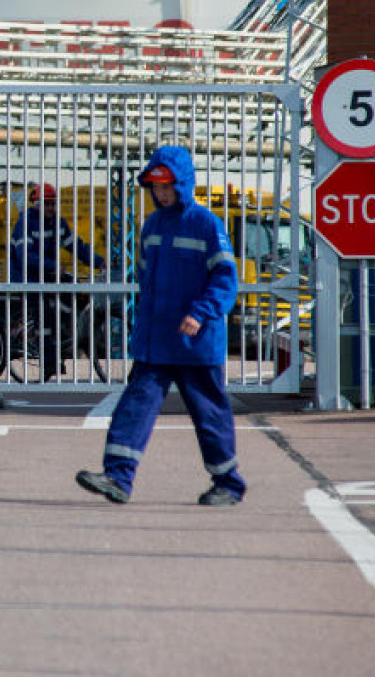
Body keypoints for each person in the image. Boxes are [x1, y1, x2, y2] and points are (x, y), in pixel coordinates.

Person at [75, 146, 245, 506]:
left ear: (182, 184)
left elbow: (226, 280)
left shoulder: (207, 224)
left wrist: (200, 313)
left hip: (196, 341)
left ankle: (228, 483)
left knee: (209, 413)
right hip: (157, 341)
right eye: (155, 186)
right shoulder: (151, 226)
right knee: (135, 405)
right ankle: (118, 477)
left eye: (167, 186)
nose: (161, 193)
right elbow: (147, 280)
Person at [8, 182, 107, 374]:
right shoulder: (26, 222)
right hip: (27, 277)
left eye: (53, 204)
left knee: (76, 292)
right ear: (36, 204)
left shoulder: (58, 223)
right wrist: (53, 266)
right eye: (47, 203)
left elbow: (76, 246)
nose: (51, 208)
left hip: (49, 273)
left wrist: (99, 262)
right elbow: (25, 256)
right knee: (45, 316)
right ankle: (49, 362)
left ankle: (68, 337)